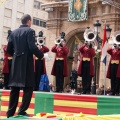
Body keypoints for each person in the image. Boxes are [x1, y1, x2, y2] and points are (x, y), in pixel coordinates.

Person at [6, 14, 44, 118]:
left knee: (14, 88)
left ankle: (10, 113)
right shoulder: (30, 31)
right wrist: (41, 55)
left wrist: (16, 54)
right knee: (28, 87)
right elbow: (32, 47)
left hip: (15, 63)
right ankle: (22, 110)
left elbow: (8, 49)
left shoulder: (13, 32)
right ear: (29, 21)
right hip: (26, 63)